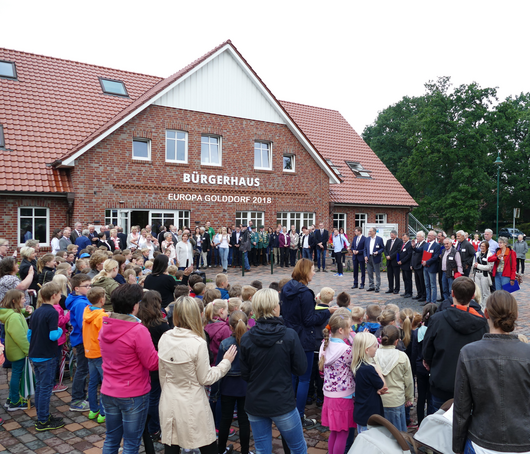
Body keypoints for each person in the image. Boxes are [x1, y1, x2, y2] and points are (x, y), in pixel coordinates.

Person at [453, 290, 530, 454]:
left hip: (482, 439)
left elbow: (462, 409)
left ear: (486, 313)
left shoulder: (469, 353)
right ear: (515, 315)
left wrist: (458, 447)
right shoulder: (527, 353)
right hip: (522, 440)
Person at [158, 296, 236, 454]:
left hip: (169, 397)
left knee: (172, 444)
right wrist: (225, 363)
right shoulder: (198, 343)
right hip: (192, 400)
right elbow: (206, 378)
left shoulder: (165, 337)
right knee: (206, 443)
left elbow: (163, 375)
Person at [240, 289, 308, 454]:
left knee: (262, 449)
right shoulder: (289, 335)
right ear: (274, 308)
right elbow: (301, 368)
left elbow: (245, 374)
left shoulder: (247, 338)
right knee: (298, 447)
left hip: (256, 401)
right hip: (282, 402)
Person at [99, 284, 159, 453]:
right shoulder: (138, 330)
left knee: (111, 439)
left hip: (109, 390)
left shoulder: (105, 325)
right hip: (133, 392)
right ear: (134, 306)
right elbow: (152, 363)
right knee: (131, 443)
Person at [280, 258, 337, 427]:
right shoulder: (305, 293)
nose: (314, 272)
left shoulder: (286, 287)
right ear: (305, 271)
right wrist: (328, 311)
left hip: (289, 335)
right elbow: (309, 319)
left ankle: (288, 410)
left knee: (292, 376)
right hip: (304, 338)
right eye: (312, 269)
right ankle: (299, 414)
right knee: (304, 379)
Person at [422, 276, 488, 413]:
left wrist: (428, 361)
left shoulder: (437, 319)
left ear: (452, 294)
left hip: (444, 382)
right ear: (473, 296)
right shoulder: (483, 324)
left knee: (437, 427)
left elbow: (427, 350)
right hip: (467, 385)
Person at [28, 282, 65, 431]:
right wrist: (61, 331)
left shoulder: (36, 311)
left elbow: (29, 335)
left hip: (35, 353)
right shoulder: (53, 312)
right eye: (60, 294)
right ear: (54, 296)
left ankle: (42, 415)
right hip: (46, 356)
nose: (61, 296)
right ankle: (43, 420)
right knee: (45, 388)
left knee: (40, 386)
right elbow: (52, 335)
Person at [319, 311, 356, 454]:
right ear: (341, 330)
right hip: (343, 396)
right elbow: (354, 366)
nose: (351, 330)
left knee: (334, 432)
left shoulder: (324, 344)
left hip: (329, 395)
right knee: (343, 434)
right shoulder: (346, 350)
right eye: (350, 327)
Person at [137, 290, 170, 442]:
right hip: (157, 363)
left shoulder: (139, 321)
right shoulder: (160, 325)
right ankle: (154, 427)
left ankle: (149, 424)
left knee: (150, 394)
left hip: (142, 363)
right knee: (155, 396)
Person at [216, 311, 251, 454]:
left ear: (230, 326)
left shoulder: (225, 344)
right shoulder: (251, 342)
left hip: (228, 387)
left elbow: (219, 368)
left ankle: (221, 449)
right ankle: (245, 451)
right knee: (244, 421)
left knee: (225, 419)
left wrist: (215, 392)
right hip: (245, 386)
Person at [374, 325, 413, 432]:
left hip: (378, 399)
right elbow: (408, 381)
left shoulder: (374, 355)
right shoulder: (402, 356)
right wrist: (409, 397)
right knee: (398, 433)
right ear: (397, 341)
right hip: (396, 400)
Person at [0, 289, 32, 410]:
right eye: (22, 298)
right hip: (18, 351)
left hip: (16, 350)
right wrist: (28, 351)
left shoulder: (12, 313)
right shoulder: (13, 317)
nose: (25, 300)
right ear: (14, 301)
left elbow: (21, 313)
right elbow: (20, 338)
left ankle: (11, 397)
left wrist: (28, 311)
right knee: (16, 375)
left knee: (16, 373)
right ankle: (14, 401)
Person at [65, 274, 92, 412]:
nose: (89, 288)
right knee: (82, 369)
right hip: (82, 340)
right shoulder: (81, 303)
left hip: (80, 338)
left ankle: (81, 395)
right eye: (86, 286)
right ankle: (77, 399)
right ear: (76, 288)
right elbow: (84, 325)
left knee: (82, 369)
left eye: (90, 285)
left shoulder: (80, 300)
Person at [351, 332, 386, 433]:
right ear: (367, 350)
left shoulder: (357, 365)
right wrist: (377, 368)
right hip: (370, 413)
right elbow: (383, 385)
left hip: (361, 410)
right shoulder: (369, 369)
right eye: (375, 346)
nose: (377, 348)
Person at [83, 287, 109, 424]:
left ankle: (93, 409)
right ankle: (104, 411)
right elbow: (105, 335)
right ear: (101, 300)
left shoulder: (87, 310)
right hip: (99, 352)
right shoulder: (102, 316)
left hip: (89, 351)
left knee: (93, 381)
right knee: (105, 382)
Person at [410, 303, 437, 425]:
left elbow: (414, 352)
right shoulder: (437, 331)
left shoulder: (417, 332)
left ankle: (420, 422)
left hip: (420, 367)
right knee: (431, 397)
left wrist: (414, 369)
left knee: (421, 397)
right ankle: (431, 421)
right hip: (433, 368)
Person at [472, 241, 494, 311]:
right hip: (477, 274)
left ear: (487, 247)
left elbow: (489, 267)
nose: (482, 247)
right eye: (481, 246)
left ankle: (485, 308)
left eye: (483, 246)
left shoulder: (490, 255)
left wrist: (478, 265)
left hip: (484, 275)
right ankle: (479, 307)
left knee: (485, 292)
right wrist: (475, 266)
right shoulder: (477, 254)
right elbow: (473, 264)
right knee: (479, 291)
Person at [364, 227, 385, 293]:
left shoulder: (379, 239)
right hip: (369, 257)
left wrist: (378, 252)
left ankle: (377, 286)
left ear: (374, 232)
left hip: (376, 257)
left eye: (370, 231)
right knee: (369, 272)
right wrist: (365, 256)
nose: (369, 232)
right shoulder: (367, 239)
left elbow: (382, 248)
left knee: (377, 273)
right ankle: (371, 286)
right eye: (369, 231)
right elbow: (365, 249)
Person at [422, 230, 441, 305]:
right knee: (427, 284)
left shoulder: (436, 245)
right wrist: (414, 247)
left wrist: (427, 262)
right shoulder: (426, 244)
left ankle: (433, 301)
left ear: (434, 237)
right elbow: (422, 252)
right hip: (425, 267)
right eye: (428, 235)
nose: (428, 236)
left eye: (430, 235)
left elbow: (435, 257)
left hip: (432, 267)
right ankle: (428, 299)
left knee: (433, 285)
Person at [384, 230, 403, 294]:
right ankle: (390, 288)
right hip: (389, 261)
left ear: (396, 235)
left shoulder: (399, 241)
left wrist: (391, 256)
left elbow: (398, 251)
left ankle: (397, 289)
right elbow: (385, 249)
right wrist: (386, 255)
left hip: (395, 261)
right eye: (391, 235)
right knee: (389, 275)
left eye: (392, 235)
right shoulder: (388, 241)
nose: (391, 236)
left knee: (396, 276)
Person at [411, 231, 427, 302]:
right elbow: (413, 254)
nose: (417, 238)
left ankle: (423, 295)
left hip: (420, 265)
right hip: (415, 265)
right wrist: (411, 264)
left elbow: (421, 253)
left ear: (422, 237)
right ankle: (419, 293)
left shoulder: (424, 244)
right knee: (417, 281)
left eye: (418, 236)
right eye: (417, 236)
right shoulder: (417, 244)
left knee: (421, 281)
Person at [398, 233, 413, 297]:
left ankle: (409, 292)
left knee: (408, 279)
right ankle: (406, 291)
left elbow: (409, 255)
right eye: (402, 238)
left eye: (404, 238)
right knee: (404, 278)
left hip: (407, 264)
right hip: (403, 265)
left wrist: (402, 261)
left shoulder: (409, 245)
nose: (403, 239)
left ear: (408, 238)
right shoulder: (403, 244)